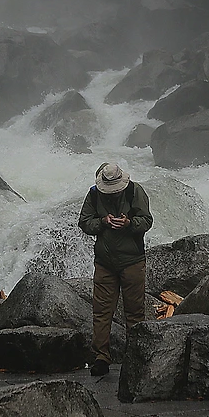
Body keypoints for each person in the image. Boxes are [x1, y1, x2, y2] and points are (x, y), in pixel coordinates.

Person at [77, 162, 152, 377]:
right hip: (104, 263)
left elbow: (147, 220)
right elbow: (84, 222)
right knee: (101, 312)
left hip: (132, 261)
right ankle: (101, 357)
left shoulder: (135, 191)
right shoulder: (94, 194)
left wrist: (129, 223)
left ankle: (134, 355)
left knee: (135, 312)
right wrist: (102, 222)